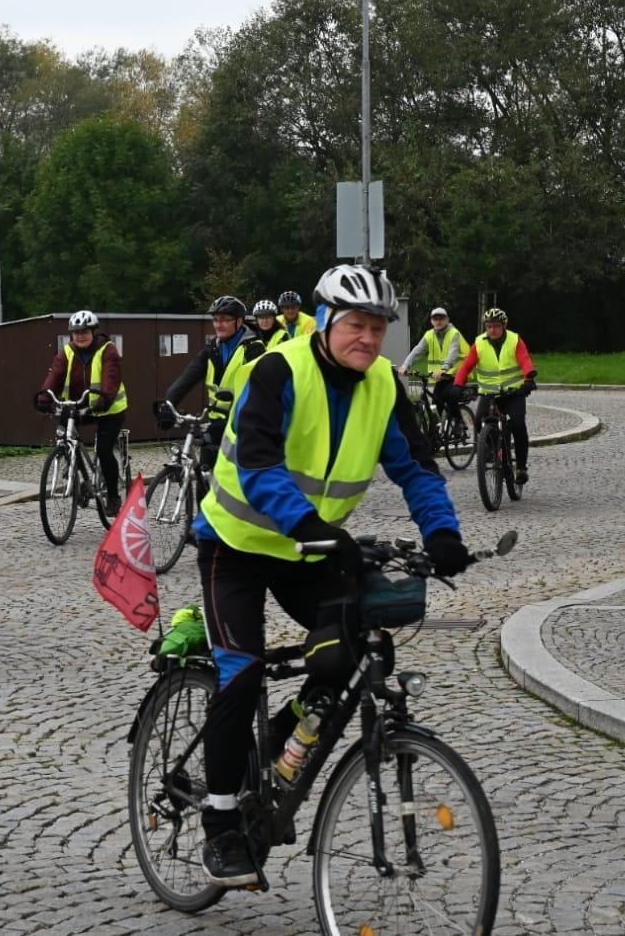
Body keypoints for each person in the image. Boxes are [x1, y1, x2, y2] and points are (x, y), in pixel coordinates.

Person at [192, 264, 468, 888]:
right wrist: (311, 524)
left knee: (360, 644)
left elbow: (418, 469)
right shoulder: (278, 370)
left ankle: (281, 739)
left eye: (377, 328)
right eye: (355, 325)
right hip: (234, 545)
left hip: (307, 551)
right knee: (241, 672)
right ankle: (220, 824)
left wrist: (443, 533)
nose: (367, 338)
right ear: (325, 322)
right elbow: (259, 467)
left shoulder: (384, 387)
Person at [33, 310, 128, 516]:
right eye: (75, 332)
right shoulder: (67, 352)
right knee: (65, 435)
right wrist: (45, 397)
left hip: (109, 408)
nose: (80, 336)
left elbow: (111, 378)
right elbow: (56, 375)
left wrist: (105, 398)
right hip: (78, 406)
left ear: (93, 331)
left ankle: (113, 495)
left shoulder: (108, 350)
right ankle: (76, 472)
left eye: (84, 331)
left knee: (103, 450)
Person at [163, 295, 267, 470]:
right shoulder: (213, 348)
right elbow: (188, 377)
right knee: (204, 474)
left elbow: (260, 394)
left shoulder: (254, 349)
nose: (219, 324)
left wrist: (235, 420)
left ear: (239, 321)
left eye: (225, 320)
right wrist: (168, 403)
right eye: (216, 319)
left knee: (235, 483)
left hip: (243, 426)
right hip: (214, 422)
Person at [453, 308, 537, 485]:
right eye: (489, 326)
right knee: (478, 422)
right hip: (489, 393)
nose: (492, 330)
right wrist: (458, 385)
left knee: (518, 424)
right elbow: (466, 366)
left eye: (496, 326)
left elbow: (525, 360)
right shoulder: (479, 343)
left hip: (513, 392)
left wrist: (529, 378)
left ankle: (521, 467)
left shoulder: (514, 340)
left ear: (504, 326)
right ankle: (491, 449)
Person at [397, 306, 469, 429]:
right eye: (435, 319)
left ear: (447, 320)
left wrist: (444, 369)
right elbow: (417, 351)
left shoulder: (454, 334)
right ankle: (434, 434)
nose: (438, 321)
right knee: (435, 405)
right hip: (439, 377)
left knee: (450, 395)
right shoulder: (429, 335)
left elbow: (453, 353)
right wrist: (405, 365)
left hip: (455, 374)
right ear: (431, 321)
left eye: (441, 318)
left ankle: (459, 422)